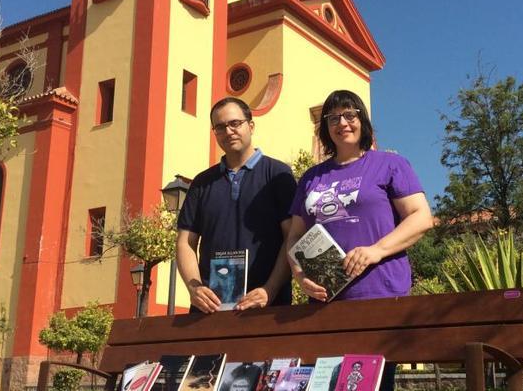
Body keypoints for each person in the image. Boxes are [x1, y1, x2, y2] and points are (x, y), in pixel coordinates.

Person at [286, 89, 433, 390]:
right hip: (324, 303)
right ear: (326, 128)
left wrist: (376, 251)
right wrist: (300, 276)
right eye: (333, 118)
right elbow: (294, 237)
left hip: (379, 296)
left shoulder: (390, 165)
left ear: (362, 121)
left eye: (350, 114)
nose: (343, 122)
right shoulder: (311, 178)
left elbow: (421, 217)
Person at [177, 97, 296, 313]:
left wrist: (270, 289)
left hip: (268, 309)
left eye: (235, 123)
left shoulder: (279, 175)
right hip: (211, 310)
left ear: (251, 125)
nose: (228, 131)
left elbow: (292, 237)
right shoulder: (201, 183)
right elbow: (185, 242)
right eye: (220, 127)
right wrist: (194, 288)